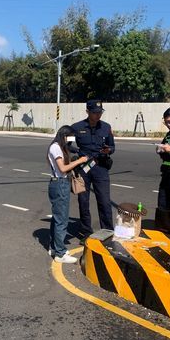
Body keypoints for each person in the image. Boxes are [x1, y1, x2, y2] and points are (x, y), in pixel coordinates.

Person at [71, 100, 115, 239]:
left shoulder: (106, 127)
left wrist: (109, 150)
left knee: (104, 200)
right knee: (83, 201)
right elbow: (66, 144)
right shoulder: (77, 127)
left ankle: (108, 231)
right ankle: (85, 232)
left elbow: (112, 147)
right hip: (83, 168)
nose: (98, 115)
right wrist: (78, 152)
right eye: (95, 112)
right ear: (87, 112)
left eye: (100, 112)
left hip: (101, 167)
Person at [47, 125, 89, 263]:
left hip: (58, 183)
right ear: (64, 136)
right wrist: (79, 161)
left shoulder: (57, 147)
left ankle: (54, 247)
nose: (70, 141)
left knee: (57, 218)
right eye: (70, 137)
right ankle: (60, 253)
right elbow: (63, 168)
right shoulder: (56, 147)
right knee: (62, 219)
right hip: (60, 184)